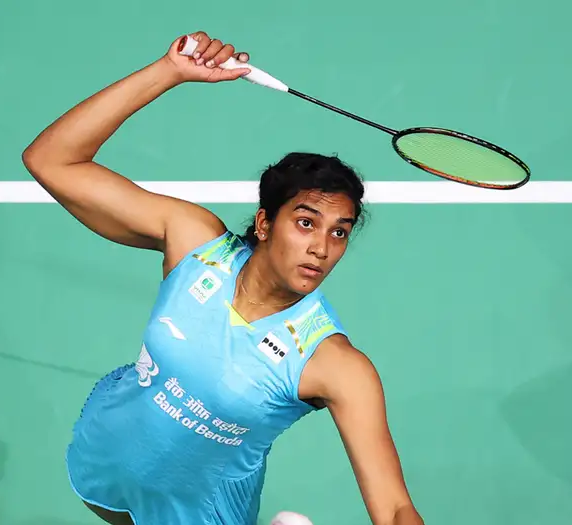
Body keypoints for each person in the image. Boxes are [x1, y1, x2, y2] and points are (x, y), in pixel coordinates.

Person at [21, 31, 424, 525]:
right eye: (306, 223)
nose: (322, 248)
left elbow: (396, 508)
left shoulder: (332, 364)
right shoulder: (196, 245)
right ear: (264, 223)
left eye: (339, 233)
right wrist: (169, 72)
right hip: (98, 464)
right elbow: (51, 159)